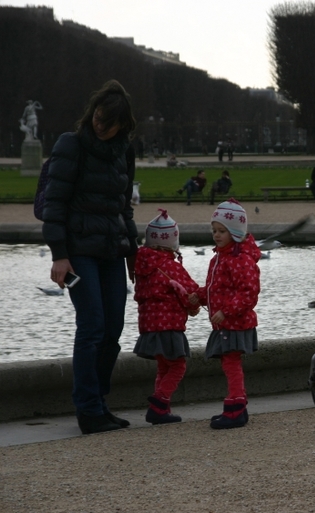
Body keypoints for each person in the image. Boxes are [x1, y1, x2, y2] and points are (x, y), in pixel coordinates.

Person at [42, 79, 139, 434]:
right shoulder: (71, 144)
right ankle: (87, 408)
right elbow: (55, 204)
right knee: (93, 325)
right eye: (98, 117)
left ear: (122, 125)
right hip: (79, 252)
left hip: (112, 250)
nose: (100, 125)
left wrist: (133, 252)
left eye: (108, 122)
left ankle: (98, 401)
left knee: (112, 328)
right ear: (92, 113)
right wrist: (59, 255)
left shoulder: (124, 151)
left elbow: (122, 205)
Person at [190, 199, 261, 430]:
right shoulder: (220, 257)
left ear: (235, 232)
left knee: (231, 362)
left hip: (234, 322)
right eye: (214, 230)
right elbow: (215, 288)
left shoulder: (239, 259)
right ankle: (236, 406)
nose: (216, 235)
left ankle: (236, 409)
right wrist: (199, 296)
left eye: (222, 231)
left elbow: (249, 292)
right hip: (226, 321)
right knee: (230, 363)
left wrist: (225, 311)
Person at [132, 209, 200, 425]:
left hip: (149, 325)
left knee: (163, 366)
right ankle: (159, 403)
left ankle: (162, 411)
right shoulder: (171, 266)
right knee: (178, 366)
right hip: (169, 324)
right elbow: (192, 293)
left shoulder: (141, 266)